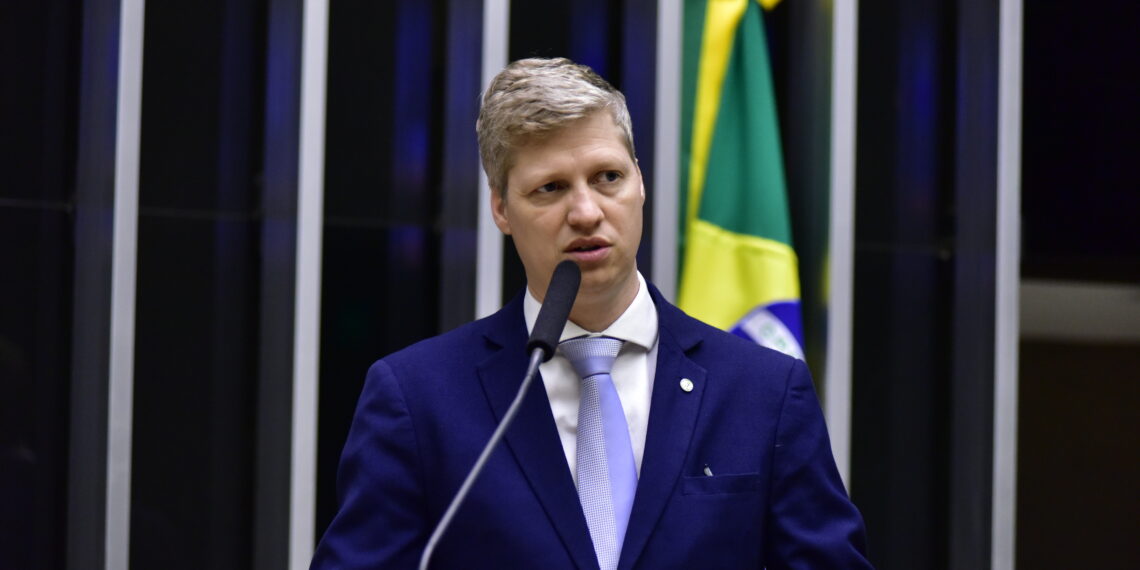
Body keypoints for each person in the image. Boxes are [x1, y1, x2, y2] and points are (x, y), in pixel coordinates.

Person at [312, 57, 870, 569]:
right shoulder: (417, 398)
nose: (585, 211)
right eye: (550, 188)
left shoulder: (763, 391)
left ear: (641, 182)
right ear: (502, 209)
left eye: (608, 178)